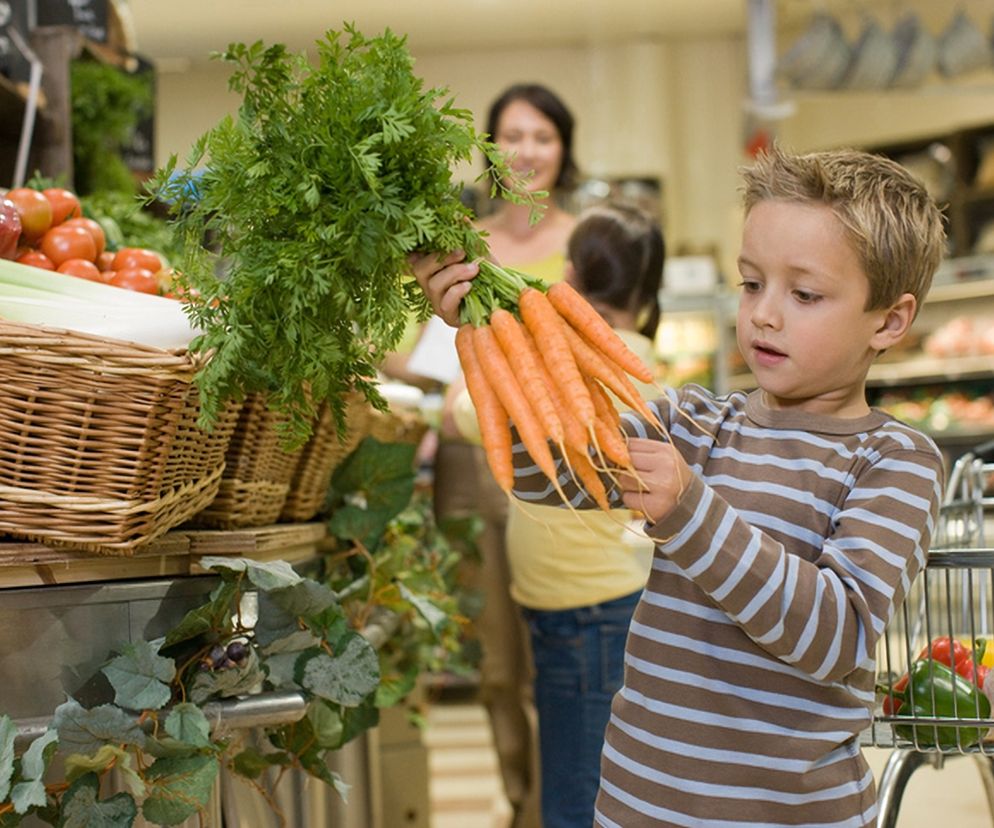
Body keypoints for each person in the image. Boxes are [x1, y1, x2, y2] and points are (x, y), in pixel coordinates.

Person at [412, 143, 947, 827]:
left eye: (805, 294)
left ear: (890, 321)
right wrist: (487, 327)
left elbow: (833, 636)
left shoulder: (895, 460)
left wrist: (691, 510)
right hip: (637, 806)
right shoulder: (693, 422)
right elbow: (541, 474)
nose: (764, 314)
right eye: (751, 284)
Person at [449, 202, 664, 828]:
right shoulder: (640, 363)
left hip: (585, 613)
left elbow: (461, 416)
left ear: (568, 274)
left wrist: (478, 340)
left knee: (578, 791)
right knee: (589, 767)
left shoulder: (561, 360)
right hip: (596, 603)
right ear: (647, 294)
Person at [428, 82, 581, 828]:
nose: (526, 151)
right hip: (468, 460)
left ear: (564, 148)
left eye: (542, 136)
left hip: (555, 459)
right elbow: (402, 349)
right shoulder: (460, 244)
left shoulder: (585, 242)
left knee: (555, 652)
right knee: (493, 663)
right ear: (489, 149)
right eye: (512, 136)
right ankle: (522, 805)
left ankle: (561, 806)